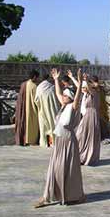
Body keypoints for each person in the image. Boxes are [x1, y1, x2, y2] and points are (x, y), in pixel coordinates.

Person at [34, 68, 85, 208]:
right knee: (54, 169)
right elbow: (57, 93)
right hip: (59, 142)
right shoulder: (63, 106)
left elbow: (78, 97)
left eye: (65, 95)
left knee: (68, 170)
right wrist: (56, 79)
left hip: (69, 142)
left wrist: (79, 83)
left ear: (70, 97)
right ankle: (47, 196)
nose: (62, 97)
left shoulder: (73, 107)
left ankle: (73, 195)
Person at [75, 74, 101, 166]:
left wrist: (86, 80)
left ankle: (88, 157)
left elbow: (90, 88)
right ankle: (81, 155)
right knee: (81, 135)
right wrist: (77, 79)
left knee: (90, 136)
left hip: (92, 115)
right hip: (87, 115)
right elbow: (80, 87)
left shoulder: (95, 91)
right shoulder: (88, 93)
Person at [15, 69, 39, 146]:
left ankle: (22, 140)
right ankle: (31, 140)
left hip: (22, 110)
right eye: (37, 78)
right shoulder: (34, 86)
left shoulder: (23, 84)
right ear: (34, 77)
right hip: (31, 110)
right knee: (31, 125)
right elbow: (37, 100)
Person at [35, 74, 60, 147]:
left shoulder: (39, 87)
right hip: (52, 109)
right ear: (48, 79)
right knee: (52, 125)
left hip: (42, 110)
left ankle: (44, 143)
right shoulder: (52, 87)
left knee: (43, 126)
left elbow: (36, 100)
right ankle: (53, 142)